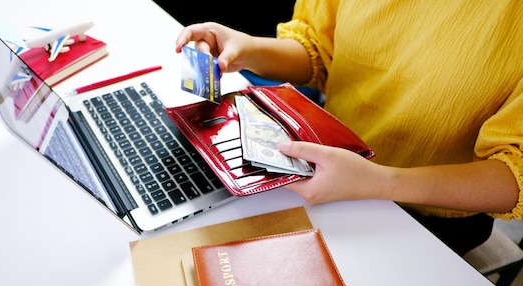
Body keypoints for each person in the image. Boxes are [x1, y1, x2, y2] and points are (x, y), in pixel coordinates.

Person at [175, 0, 523, 256]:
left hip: (424, 215)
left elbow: (514, 175)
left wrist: (377, 181)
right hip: (318, 163)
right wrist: (248, 48)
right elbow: (320, 52)